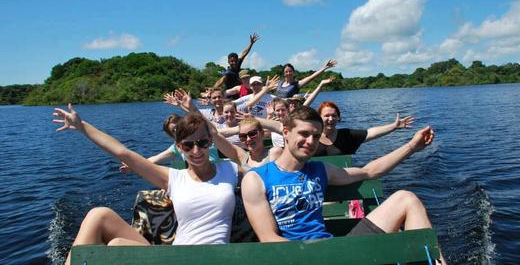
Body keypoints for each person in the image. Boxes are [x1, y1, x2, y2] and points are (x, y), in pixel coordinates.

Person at [240, 106, 446, 265]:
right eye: (304, 134)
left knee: (406, 198)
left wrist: (412, 146)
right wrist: (325, 255)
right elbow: (268, 238)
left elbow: (370, 170)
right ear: (286, 132)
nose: (310, 141)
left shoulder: (321, 170)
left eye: (315, 136)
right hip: (298, 257)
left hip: (338, 250)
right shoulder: (257, 179)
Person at [52, 104, 248, 265]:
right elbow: (123, 153)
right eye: (188, 145)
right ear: (179, 148)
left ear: (210, 142)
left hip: (215, 258)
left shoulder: (230, 170)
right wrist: (82, 126)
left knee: (116, 245)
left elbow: (263, 172)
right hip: (176, 258)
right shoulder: (173, 178)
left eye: (202, 143)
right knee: (100, 217)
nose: (196, 150)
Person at [315, 101, 414, 156]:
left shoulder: (347, 135)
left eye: (334, 116)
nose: (331, 119)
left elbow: (371, 133)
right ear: (319, 117)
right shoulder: (311, 136)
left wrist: (394, 126)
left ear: (338, 118)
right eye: (327, 116)